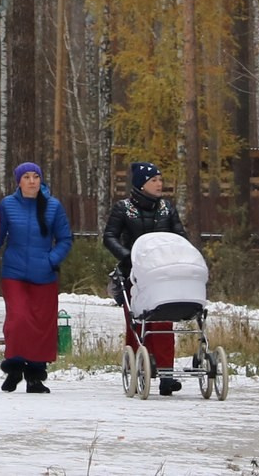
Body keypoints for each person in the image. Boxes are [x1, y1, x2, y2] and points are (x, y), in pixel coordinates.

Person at [103, 161, 188, 395]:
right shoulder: (123, 208)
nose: (160, 184)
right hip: (133, 274)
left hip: (162, 273)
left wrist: (180, 252)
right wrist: (127, 257)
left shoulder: (167, 209)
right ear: (142, 184)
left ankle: (166, 374)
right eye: (154, 180)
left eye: (161, 180)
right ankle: (139, 364)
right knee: (137, 321)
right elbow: (109, 237)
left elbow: (180, 235)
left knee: (163, 321)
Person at [0, 163, 73, 393]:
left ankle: (35, 376)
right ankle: (15, 368)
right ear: (18, 181)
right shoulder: (8, 205)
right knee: (18, 320)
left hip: (44, 274)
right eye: (26, 177)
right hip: (15, 272)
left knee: (41, 326)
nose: (32, 181)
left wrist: (51, 260)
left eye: (36, 176)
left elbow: (65, 239)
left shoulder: (53, 206)